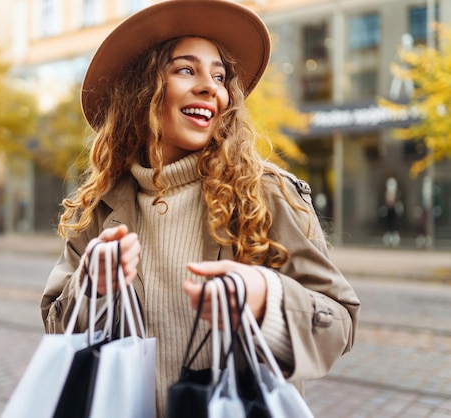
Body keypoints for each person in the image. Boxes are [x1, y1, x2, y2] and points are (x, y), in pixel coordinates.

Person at [41, 1, 360, 416]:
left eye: (220, 76)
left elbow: (339, 324)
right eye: (186, 69)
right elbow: (56, 326)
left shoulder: (266, 193)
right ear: (143, 90)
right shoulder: (101, 204)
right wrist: (91, 287)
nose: (211, 87)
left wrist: (266, 297)